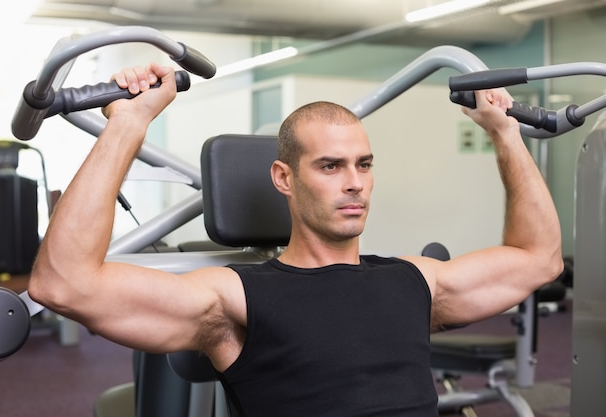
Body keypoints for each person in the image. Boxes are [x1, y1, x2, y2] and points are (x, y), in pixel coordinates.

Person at [28, 63, 563, 417]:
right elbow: (65, 284)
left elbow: (538, 259)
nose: (354, 181)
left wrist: (505, 133)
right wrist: (128, 124)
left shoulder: (415, 280)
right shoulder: (234, 297)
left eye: (363, 164)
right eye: (330, 165)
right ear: (285, 178)